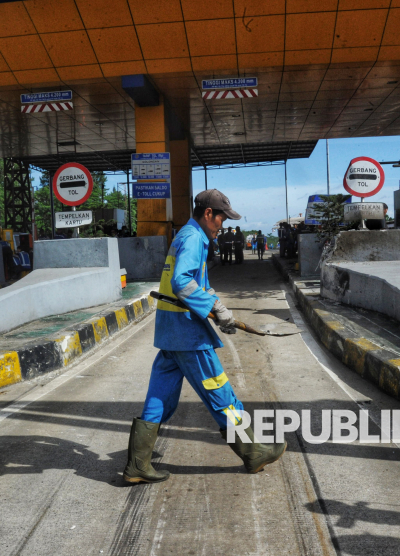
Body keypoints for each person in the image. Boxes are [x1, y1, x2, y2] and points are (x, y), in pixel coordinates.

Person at [123, 190, 286, 484]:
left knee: (159, 397)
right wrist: (213, 308)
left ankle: (138, 464)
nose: (222, 225)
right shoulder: (195, 238)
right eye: (222, 218)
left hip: (171, 332)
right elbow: (182, 282)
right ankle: (253, 452)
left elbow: (197, 284)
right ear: (208, 213)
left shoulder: (186, 234)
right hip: (187, 335)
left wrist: (220, 310)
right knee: (221, 393)